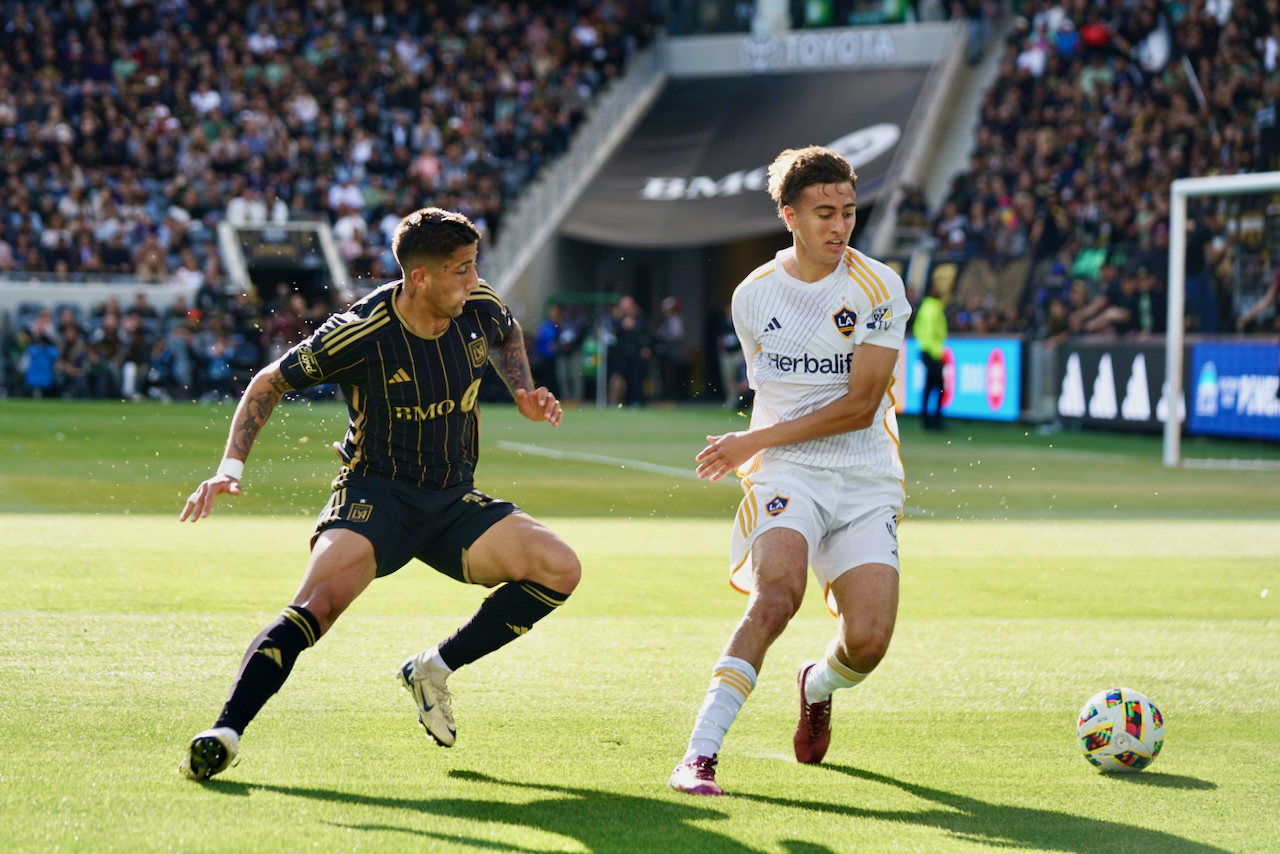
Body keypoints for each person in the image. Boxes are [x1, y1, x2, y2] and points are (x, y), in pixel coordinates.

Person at [177, 208, 580, 780]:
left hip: (452, 499)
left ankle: (433, 668)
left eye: (474, 266)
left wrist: (522, 391)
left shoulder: (478, 304)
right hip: (376, 495)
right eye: (461, 269)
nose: (474, 280)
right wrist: (229, 467)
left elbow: (507, 331)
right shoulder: (361, 331)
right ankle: (226, 731)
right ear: (420, 277)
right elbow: (269, 381)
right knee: (315, 606)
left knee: (559, 568)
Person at [669, 147, 912, 796]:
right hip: (787, 473)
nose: (840, 226)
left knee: (868, 642)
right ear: (790, 217)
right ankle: (699, 754)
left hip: (864, 478)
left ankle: (817, 684)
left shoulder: (879, 287)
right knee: (776, 597)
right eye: (824, 213)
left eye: (849, 212)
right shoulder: (753, 295)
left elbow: (860, 406)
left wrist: (750, 440)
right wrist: (763, 449)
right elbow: (773, 390)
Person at [914, 282, 947, 431]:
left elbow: (919, 330)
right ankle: (934, 420)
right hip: (932, 352)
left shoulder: (926, 308)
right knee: (938, 387)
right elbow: (932, 334)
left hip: (926, 350)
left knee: (931, 387)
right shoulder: (933, 309)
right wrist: (937, 354)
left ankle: (928, 420)